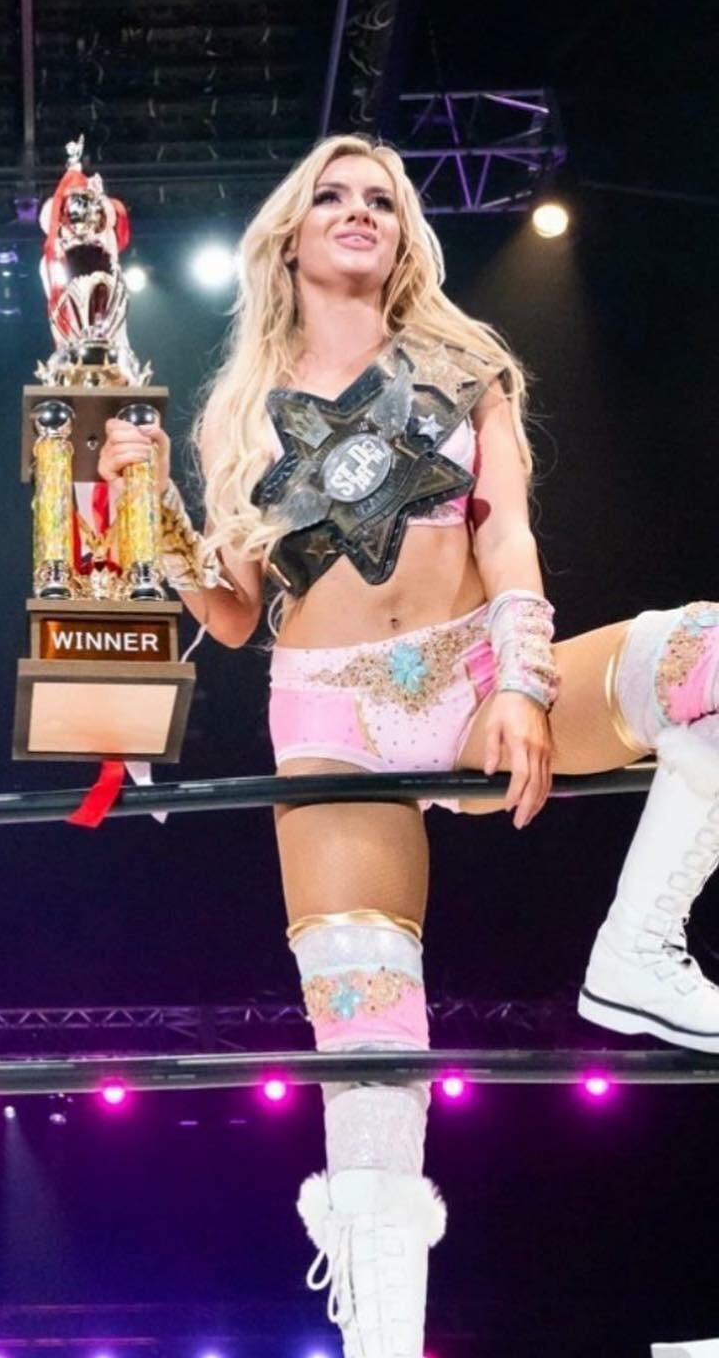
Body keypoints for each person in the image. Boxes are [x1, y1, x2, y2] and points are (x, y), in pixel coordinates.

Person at [98, 132, 718, 1358]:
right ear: (289, 236)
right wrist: (151, 504)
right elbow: (233, 615)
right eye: (331, 196)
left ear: (404, 236)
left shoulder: (464, 367)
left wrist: (524, 682)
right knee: (372, 1043)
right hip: (331, 717)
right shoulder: (238, 411)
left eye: (380, 199)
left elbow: (507, 538)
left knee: (707, 651)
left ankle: (640, 953)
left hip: (477, 675)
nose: (358, 211)